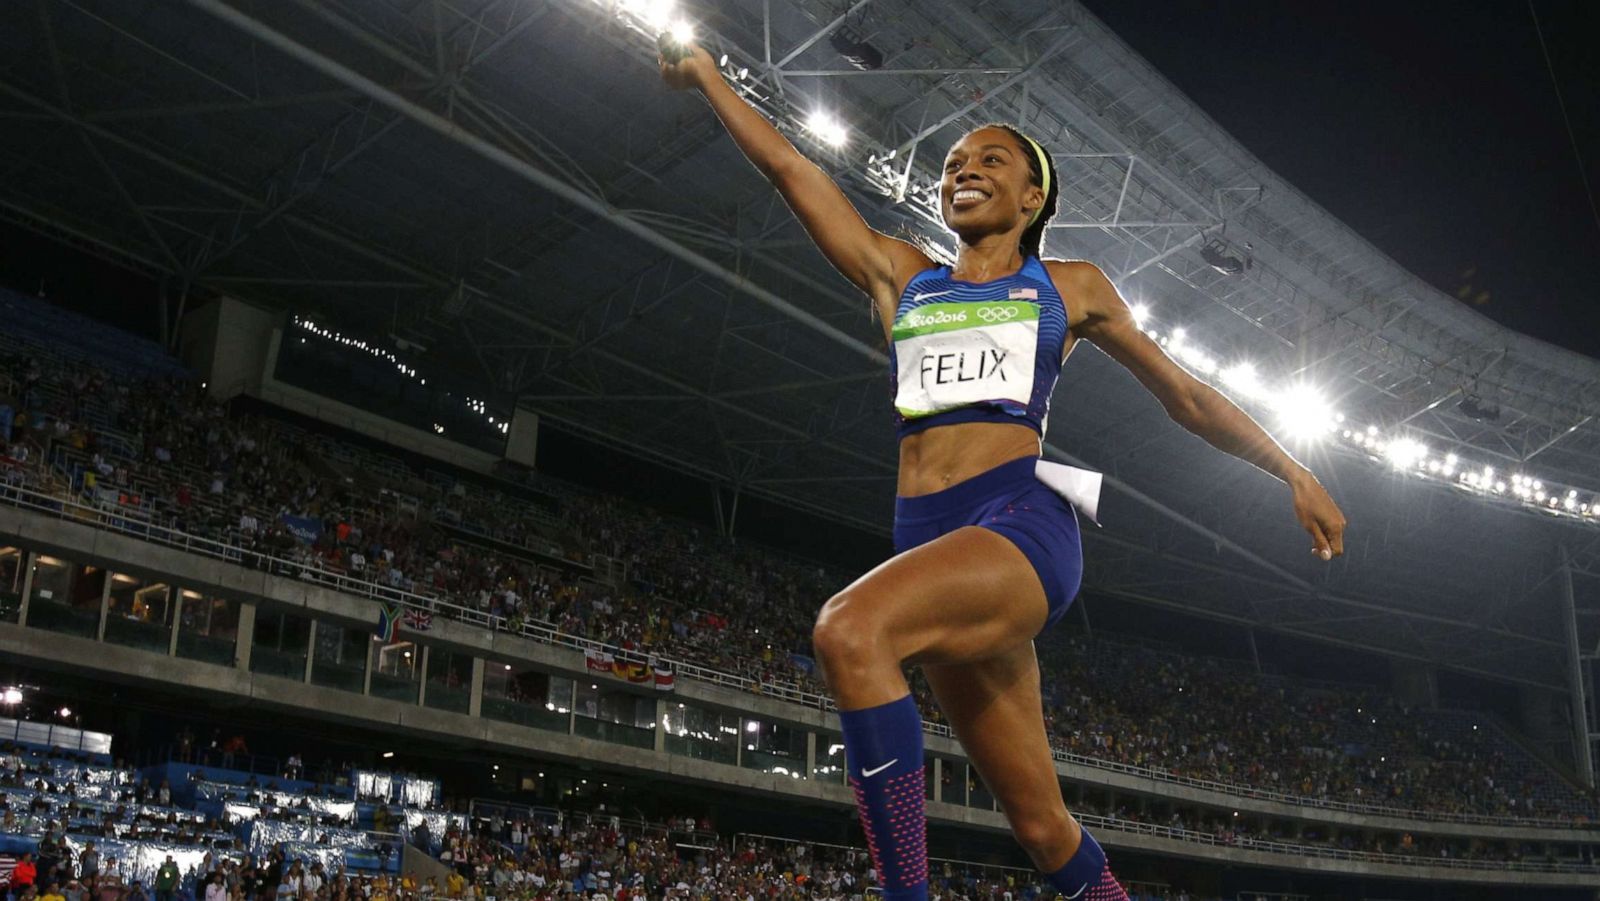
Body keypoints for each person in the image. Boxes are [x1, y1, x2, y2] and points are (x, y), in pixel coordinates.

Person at [659, 37, 1346, 901]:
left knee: (849, 629)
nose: (964, 169)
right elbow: (793, 170)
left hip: (1021, 525)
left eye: (993, 159)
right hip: (934, 545)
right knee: (1040, 826)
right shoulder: (901, 278)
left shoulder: (1069, 284)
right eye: (953, 162)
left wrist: (1291, 469)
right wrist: (710, 79)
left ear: (1034, 195)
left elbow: (1187, 396)